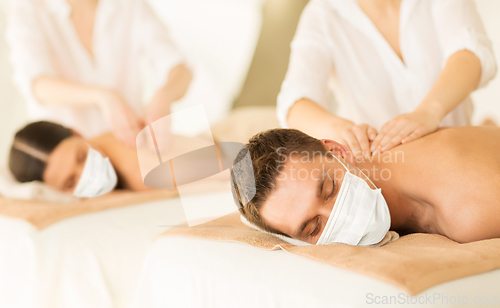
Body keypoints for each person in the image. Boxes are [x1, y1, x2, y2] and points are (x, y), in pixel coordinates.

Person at [277, 0, 497, 159]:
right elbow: (295, 102)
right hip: (383, 166)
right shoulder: (322, 14)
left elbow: (471, 52)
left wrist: (428, 112)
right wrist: (342, 130)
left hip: (456, 154)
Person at [230, 126, 500, 246]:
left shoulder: (470, 209)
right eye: (314, 228)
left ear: (339, 152)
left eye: (330, 189)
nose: (339, 213)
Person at [6, 0, 192, 149]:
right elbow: (38, 85)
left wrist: (164, 96)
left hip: (129, 149)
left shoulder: (129, 5)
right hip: (69, 158)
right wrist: (104, 97)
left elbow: (180, 68)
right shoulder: (28, 7)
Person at [8, 121, 229, 198]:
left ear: (77, 132)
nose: (86, 172)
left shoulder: (138, 166)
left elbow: (232, 169)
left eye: (82, 157)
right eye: (70, 182)